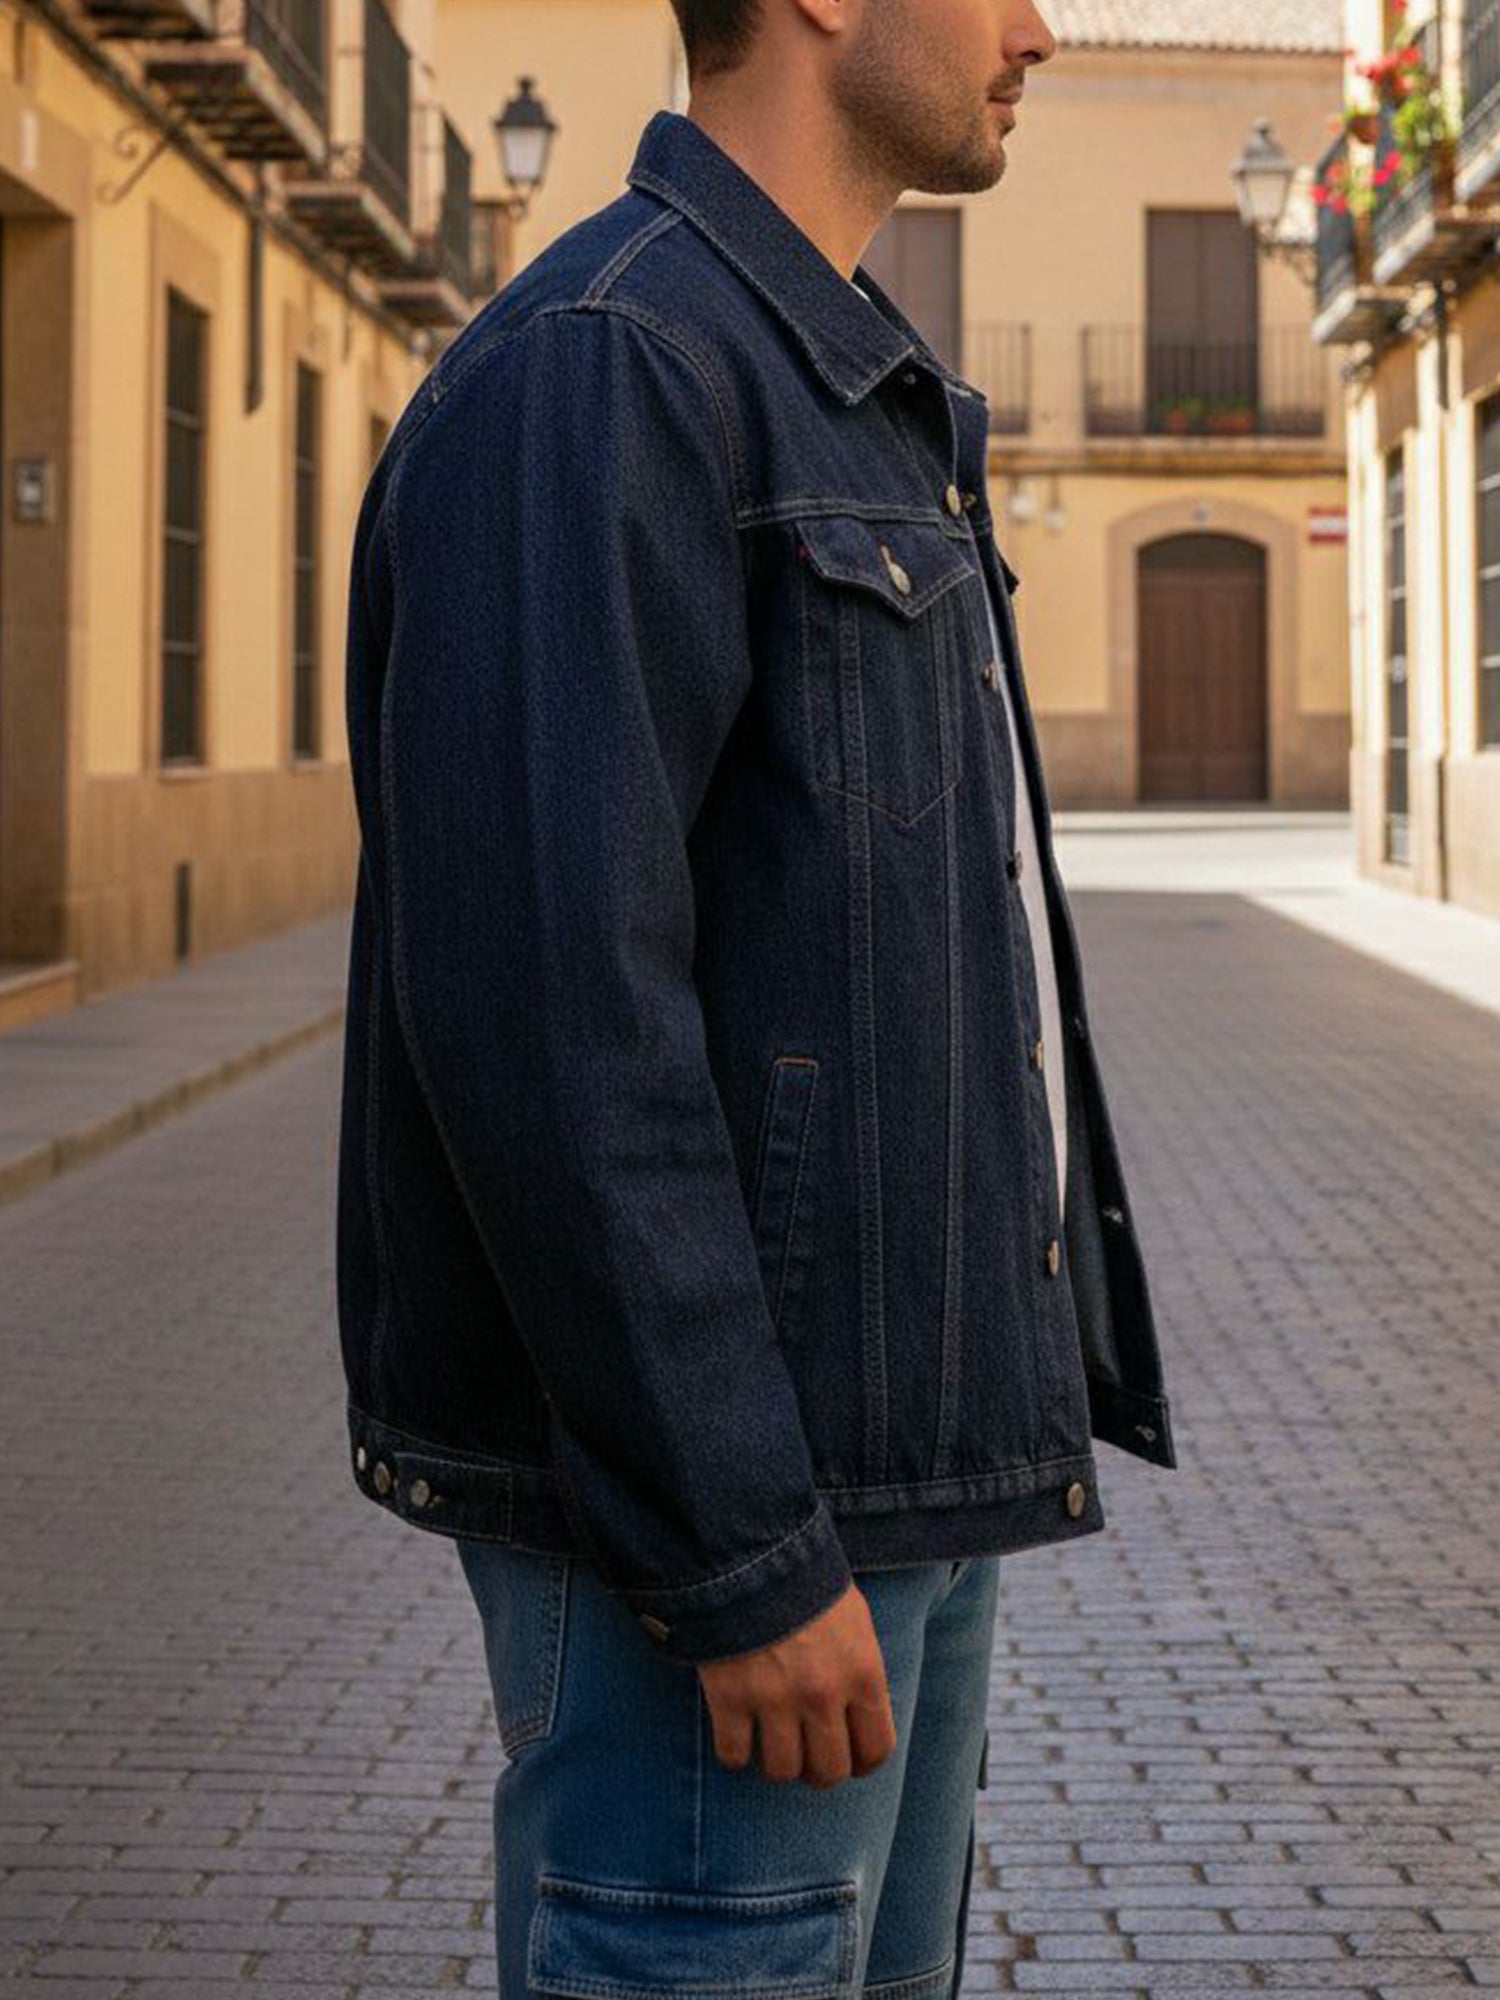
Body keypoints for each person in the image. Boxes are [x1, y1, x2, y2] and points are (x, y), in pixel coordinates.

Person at [334, 1, 1178, 1992]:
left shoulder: (845, 388)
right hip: (732, 1555)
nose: (1040, 30)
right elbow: (554, 1025)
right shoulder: (610, 370)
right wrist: (737, 1552)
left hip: (892, 1498)